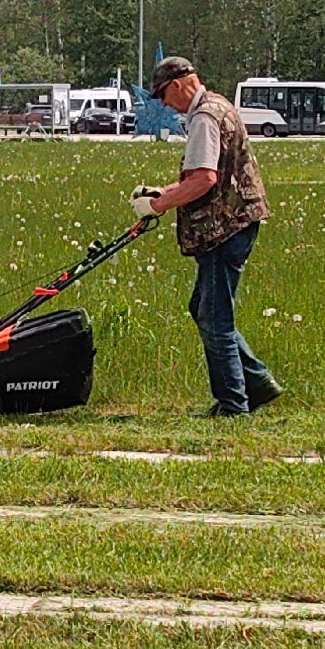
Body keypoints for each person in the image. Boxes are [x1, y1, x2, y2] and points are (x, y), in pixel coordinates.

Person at [129, 56, 281, 417]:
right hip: (237, 221)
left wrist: (159, 206)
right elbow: (206, 173)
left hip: (223, 228)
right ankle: (257, 382)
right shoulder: (220, 106)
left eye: (163, 95)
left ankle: (233, 405)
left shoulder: (203, 118)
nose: (164, 104)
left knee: (215, 319)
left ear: (179, 83)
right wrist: (161, 192)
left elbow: (204, 180)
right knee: (203, 308)